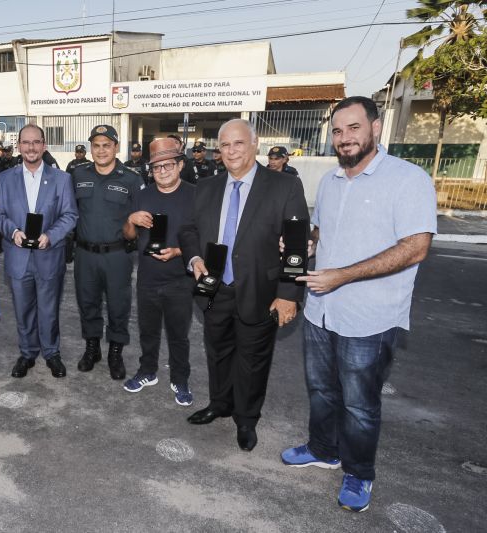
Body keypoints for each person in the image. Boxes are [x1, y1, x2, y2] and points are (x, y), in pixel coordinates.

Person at [281, 96, 437, 513]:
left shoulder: (408, 179)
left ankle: (359, 472)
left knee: (359, 403)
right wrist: (305, 244)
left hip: (369, 317)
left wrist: (343, 275)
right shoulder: (331, 181)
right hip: (320, 309)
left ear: (376, 127)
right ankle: (323, 449)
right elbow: (323, 231)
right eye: (337, 130)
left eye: (353, 127)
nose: (344, 138)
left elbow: (416, 247)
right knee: (320, 390)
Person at [178, 119, 309, 452]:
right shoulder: (206, 187)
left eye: (238, 143)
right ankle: (220, 403)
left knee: (253, 359)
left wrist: (288, 294)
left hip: (260, 291)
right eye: (224, 145)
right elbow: (189, 230)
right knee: (217, 351)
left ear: (255, 143)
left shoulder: (284, 187)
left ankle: (247, 419)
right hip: (213, 287)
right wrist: (194, 260)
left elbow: (295, 245)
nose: (231, 151)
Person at [0, 124, 78, 379]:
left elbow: (70, 214)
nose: (31, 147)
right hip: (18, 256)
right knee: (23, 310)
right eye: (26, 142)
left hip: (48, 255)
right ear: (18, 146)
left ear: (44, 145)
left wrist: (50, 236)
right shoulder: (4, 179)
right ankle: (28, 353)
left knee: (48, 309)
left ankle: (52, 353)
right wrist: (12, 232)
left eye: (36, 142)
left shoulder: (61, 179)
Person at [122, 137, 195, 405]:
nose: (162, 172)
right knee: (148, 331)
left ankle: (180, 378)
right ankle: (147, 371)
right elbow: (128, 236)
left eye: (168, 166)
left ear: (180, 165)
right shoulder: (142, 195)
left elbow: (203, 239)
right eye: (156, 168)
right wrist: (131, 220)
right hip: (147, 278)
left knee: (179, 334)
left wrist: (178, 251)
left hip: (180, 280)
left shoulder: (195, 195)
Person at [72, 124, 144, 380]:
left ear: (116, 147)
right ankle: (92, 349)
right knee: (87, 303)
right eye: (96, 145)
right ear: (91, 148)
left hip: (117, 255)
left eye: (106, 145)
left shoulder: (132, 179)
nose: (101, 150)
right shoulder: (78, 175)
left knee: (118, 305)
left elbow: (140, 220)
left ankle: (115, 352)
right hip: (85, 254)